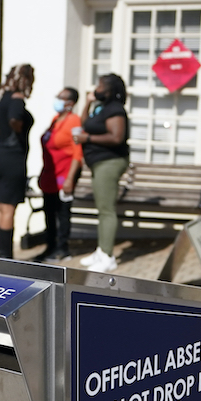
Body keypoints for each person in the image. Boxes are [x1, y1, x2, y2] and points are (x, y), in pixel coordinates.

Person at [71, 73, 130, 273]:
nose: (96, 89)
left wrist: (87, 139)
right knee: (102, 208)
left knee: (106, 210)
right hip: (98, 163)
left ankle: (107, 256)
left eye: (100, 86)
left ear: (110, 90)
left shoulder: (115, 110)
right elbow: (84, 122)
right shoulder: (100, 108)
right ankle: (101, 250)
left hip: (110, 162)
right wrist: (87, 103)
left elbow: (116, 137)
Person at [0, 64, 35, 259]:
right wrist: (15, 128)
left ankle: (0, 254)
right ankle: (7, 258)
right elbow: (15, 118)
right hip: (13, 158)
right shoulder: (17, 100)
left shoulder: (0, 97)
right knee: (9, 208)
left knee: (1, 206)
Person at [34, 86, 83, 263]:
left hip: (64, 174)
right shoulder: (56, 119)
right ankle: (50, 246)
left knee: (62, 212)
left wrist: (70, 179)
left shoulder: (74, 121)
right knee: (48, 210)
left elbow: (78, 152)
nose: (57, 99)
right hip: (50, 174)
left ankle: (62, 248)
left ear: (70, 103)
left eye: (61, 97)